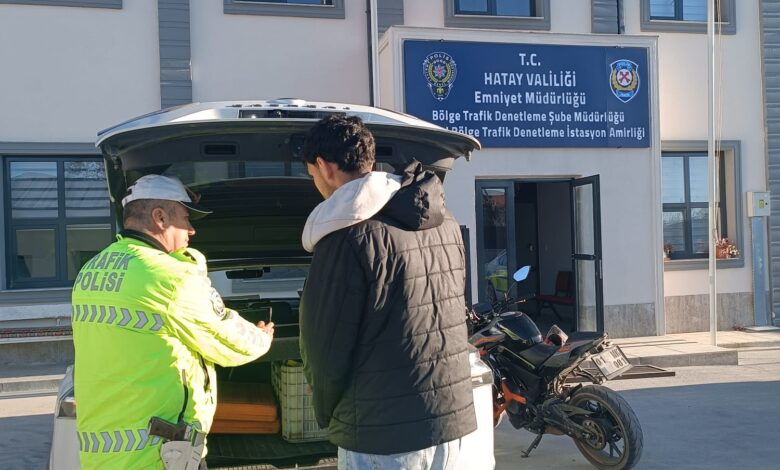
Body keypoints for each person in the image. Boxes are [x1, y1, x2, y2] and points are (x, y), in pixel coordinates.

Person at [299, 115, 476, 469]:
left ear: (324, 167)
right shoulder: (446, 221)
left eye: (312, 173)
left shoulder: (345, 238)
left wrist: (323, 405)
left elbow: (327, 344)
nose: (315, 182)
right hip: (452, 424)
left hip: (383, 433)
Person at [71, 174, 275, 469]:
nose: (192, 229)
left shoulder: (92, 269)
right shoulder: (169, 277)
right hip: (158, 453)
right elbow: (226, 339)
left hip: (103, 452)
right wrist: (262, 337)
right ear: (160, 217)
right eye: (185, 218)